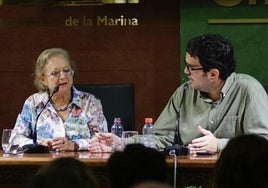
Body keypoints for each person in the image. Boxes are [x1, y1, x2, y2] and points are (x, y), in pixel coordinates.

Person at [88, 33, 268, 155]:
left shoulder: (248, 89)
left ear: (213, 74)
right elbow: (160, 137)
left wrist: (219, 145)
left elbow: (263, 142)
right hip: (190, 170)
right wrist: (121, 143)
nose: (185, 71)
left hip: (237, 177)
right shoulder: (184, 92)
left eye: (191, 67)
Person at [11, 48, 108, 151]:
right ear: (43, 79)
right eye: (55, 73)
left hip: (81, 164)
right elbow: (14, 139)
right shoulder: (33, 103)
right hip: (44, 165)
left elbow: (104, 140)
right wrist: (38, 144)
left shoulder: (90, 102)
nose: (63, 76)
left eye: (67, 70)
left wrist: (74, 145)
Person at [27, 157, 100, 188]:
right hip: (46, 165)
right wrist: (39, 144)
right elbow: (17, 138)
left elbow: (102, 138)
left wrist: (76, 145)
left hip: (82, 166)